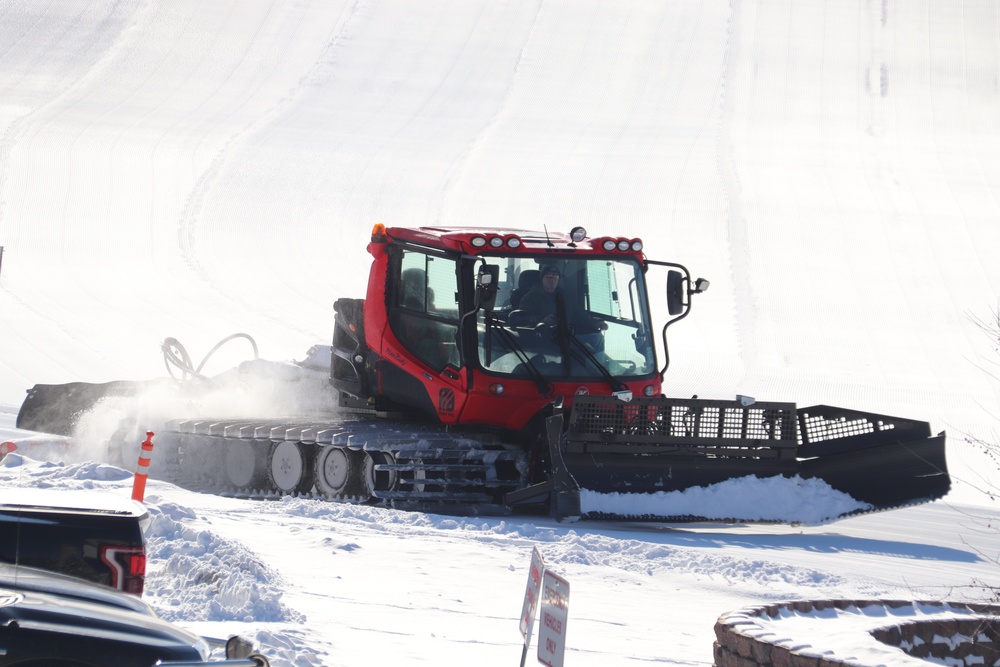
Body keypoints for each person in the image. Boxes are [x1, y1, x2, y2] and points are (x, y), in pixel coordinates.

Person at [519, 265, 607, 335]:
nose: (552, 279)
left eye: (555, 276)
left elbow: (580, 314)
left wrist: (596, 322)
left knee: (596, 338)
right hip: (541, 337)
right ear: (542, 278)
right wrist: (542, 320)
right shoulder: (530, 297)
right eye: (549, 276)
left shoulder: (566, 297)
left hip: (567, 336)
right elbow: (522, 319)